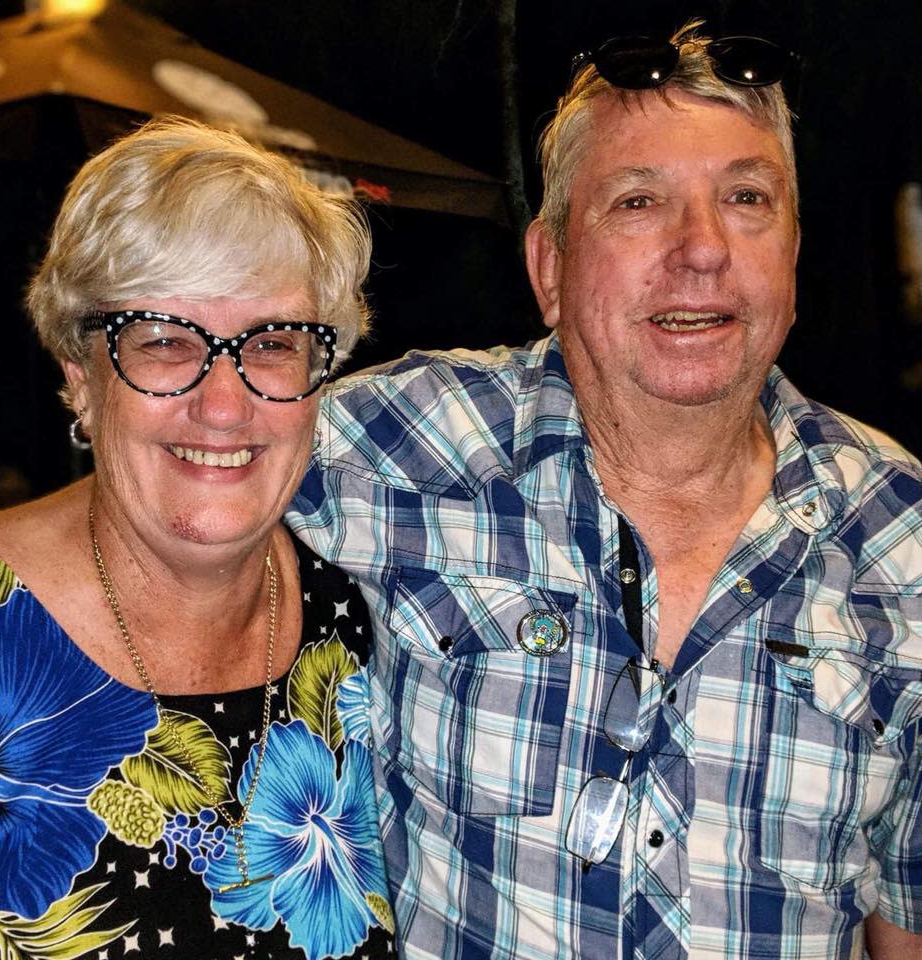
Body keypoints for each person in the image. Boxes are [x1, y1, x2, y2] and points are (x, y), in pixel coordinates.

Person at [288, 21, 922, 960]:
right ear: (549, 267)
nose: (702, 249)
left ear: (793, 253)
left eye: (747, 198)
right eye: (638, 202)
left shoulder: (899, 532)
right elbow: (145, 513)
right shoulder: (397, 443)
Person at [0, 118, 395, 960]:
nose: (225, 405)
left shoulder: (364, 617)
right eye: (165, 341)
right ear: (79, 378)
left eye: (272, 343)